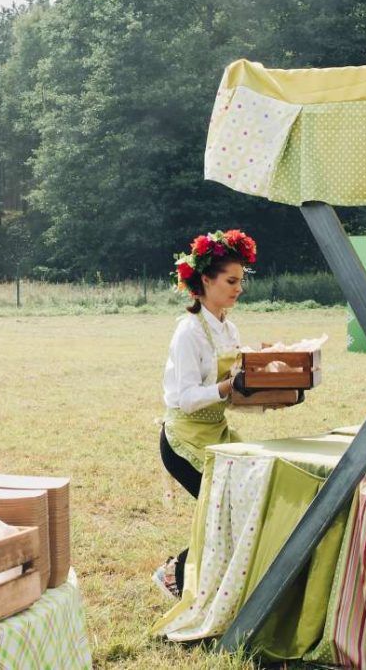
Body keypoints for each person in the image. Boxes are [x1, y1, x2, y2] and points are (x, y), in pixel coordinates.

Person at [153, 228, 258, 599]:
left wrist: (265, 389)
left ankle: (210, 580)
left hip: (218, 431)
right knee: (224, 508)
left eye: (241, 281)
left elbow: (230, 394)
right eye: (231, 280)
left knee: (253, 494)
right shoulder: (188, 333)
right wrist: (228, 387)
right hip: (184, 438)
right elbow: (184, 398)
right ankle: (174, 574)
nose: (238, 289)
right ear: (205, 281)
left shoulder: (230, 328)